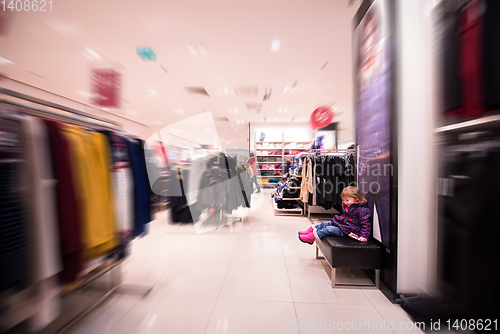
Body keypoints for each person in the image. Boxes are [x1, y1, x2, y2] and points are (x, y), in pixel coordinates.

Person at [298, 186, 372, 244]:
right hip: (345, 226)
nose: (345, 202)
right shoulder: (349, 207)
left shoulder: (362, 210)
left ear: (356, 198)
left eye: (347, 200)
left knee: (329, 229)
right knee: (325, 223)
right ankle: (310, 231)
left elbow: (366, 224)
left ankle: (311, 238)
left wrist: (364, 236)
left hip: (350, 231)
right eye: (344, 200)